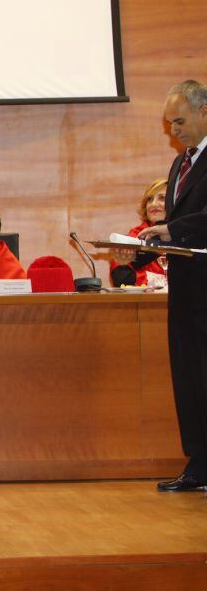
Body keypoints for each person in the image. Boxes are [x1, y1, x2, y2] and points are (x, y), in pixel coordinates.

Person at [138, 80, 207, 493]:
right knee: (189, 375)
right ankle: (199, 462)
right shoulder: (181, 163)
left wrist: (171, 229)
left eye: (179, 121)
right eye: (168, 124)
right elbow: (176, 229)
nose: (174, 130)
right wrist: (140, 250)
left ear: (204, 112)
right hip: (185, 288)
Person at [110, 178, 168, 287]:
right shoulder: (135, 236)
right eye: (150, 199)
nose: (153, 204)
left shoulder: (186, 237)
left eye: (162, 198)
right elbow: (121, 279)